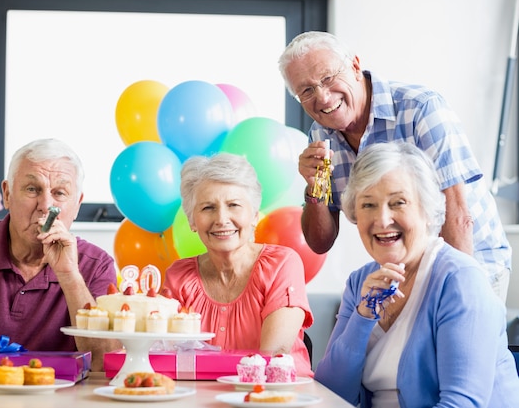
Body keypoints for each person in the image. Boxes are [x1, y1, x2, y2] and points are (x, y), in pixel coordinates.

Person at [278, 31, 511, 302]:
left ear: (354, 66)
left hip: (472, 263)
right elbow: (320, 243)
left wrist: (456, 294)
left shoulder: (420, 108)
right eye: (306, 90)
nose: (324, 98)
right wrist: (313, 188)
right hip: (404, 276)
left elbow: (457, 215)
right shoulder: (320, 135)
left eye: (328, 78)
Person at [313, 141, 519, 407]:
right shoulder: (359, 283)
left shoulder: (459, 280)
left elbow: (462, 403)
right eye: (368, 205)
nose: (382, 219)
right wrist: (363, 317)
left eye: (398, 202)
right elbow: (331, 393)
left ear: (427, 211)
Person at [0, 138, 119, 371]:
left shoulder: (97, 265)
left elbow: (102, 362)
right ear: (7, 193)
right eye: (32, 189)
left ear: (77, 204)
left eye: (60, 193)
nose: (46, 205)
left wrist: (69, 275)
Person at [163, 153, 314, 376]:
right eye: (207, 208)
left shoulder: (282, 264)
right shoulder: (179, 277)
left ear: (254, 215)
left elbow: (271, 358)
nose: (221, 219)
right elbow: (167, 358)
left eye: (233, 205)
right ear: (192, 221)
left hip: (276, 397)